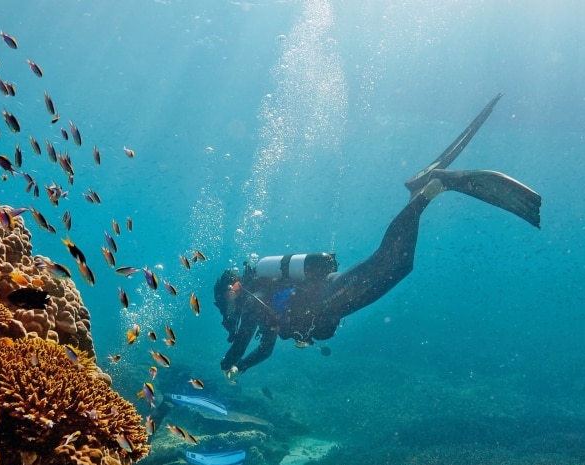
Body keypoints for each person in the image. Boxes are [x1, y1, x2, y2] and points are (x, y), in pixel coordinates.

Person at [214, 93, 541, 379]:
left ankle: (427, 190)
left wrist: (228, 362)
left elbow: (243, 342)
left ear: (234, 287)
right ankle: (423, 194)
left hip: (330, 294)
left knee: (388, 261)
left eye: (223, 300)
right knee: (400, 266)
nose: (225, 308)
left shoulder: (254, 300)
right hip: (335, 303)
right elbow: (264, 350)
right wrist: (240, 368)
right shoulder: (260, 302)